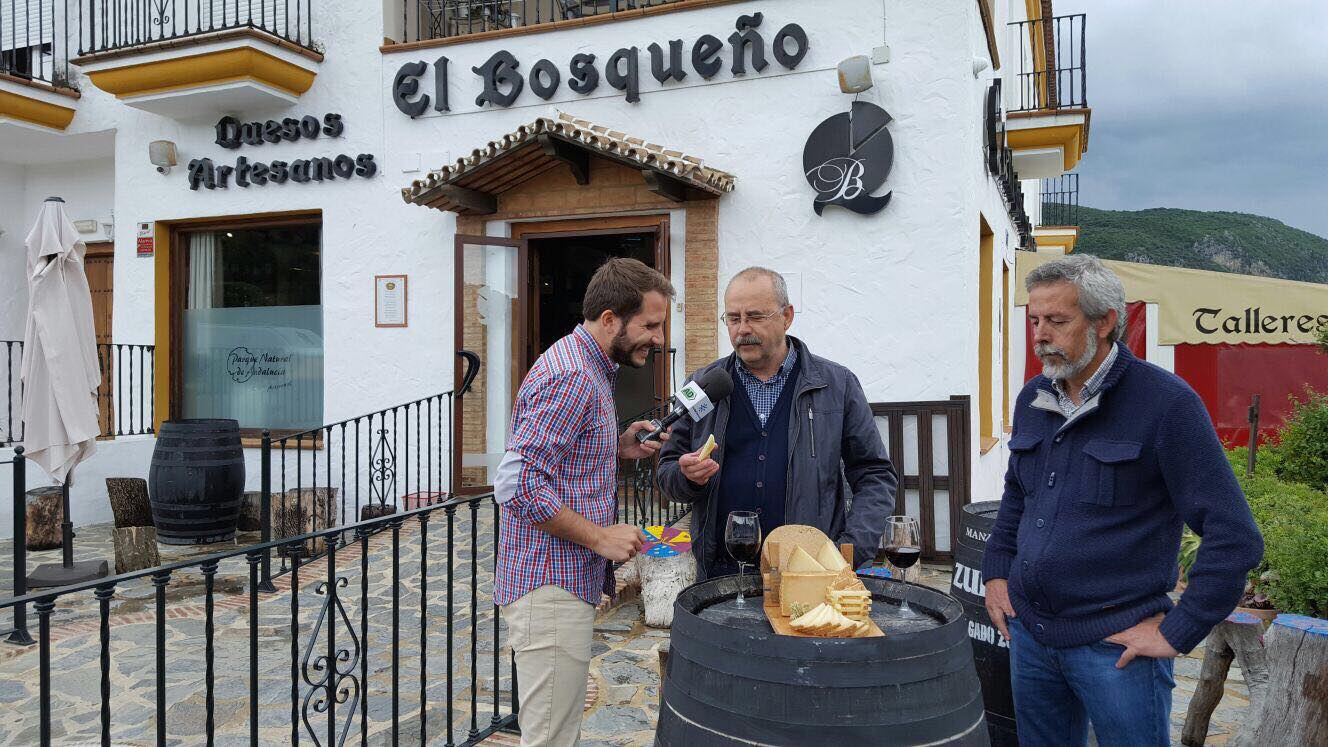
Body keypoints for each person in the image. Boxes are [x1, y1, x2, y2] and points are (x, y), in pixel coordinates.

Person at [982, 255, 1263, 746]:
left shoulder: (1166, 405)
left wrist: (1179, 630)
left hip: (1115, 648)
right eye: (1034, 320)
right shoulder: (1033, 398)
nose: (1040, 335)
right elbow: (1016, 498)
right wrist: (996, 573)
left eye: (1057, 321)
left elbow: (1234, 536)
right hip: (1031, 636)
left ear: (1106, 321)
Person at [492, 257, 673, 747]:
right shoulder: (573, 374)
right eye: (651, 325)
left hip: (555, 583)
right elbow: (516, 482)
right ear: (610, 318)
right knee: (551, 738)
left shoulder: (589, 365)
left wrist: (615, 445)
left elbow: (555, 459)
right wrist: (600, 537)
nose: (658, 339)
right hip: (547, 586)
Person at [657, 267, 897, 579]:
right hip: (721, 574)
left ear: (786, 316)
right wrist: (688, 477)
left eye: (755, 316)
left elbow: (875, 475)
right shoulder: (702, 385)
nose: (742, 329)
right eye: (733, 318)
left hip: (809, 572)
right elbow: (667, 471)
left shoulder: (836, 385)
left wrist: (849, 550)